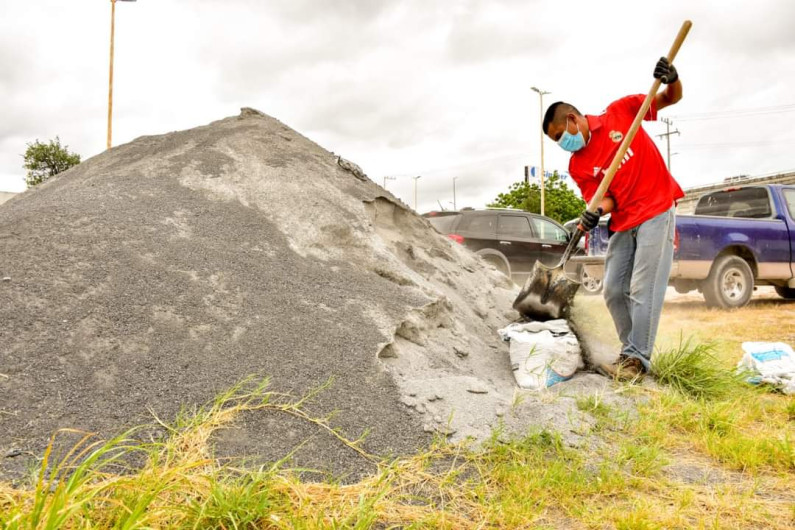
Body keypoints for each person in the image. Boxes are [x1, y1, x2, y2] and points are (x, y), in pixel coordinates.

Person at [542, 57, 684, 380]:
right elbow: (603, 199)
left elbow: (669, 97)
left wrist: (672, 79)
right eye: (556, 142)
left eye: (560, 135)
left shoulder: (620, 112)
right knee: (614, 289)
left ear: (573, 119)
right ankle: (632, 351)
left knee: (643, 286)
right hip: (624, 219)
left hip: (656, 207)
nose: (562, 144)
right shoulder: (577, 166)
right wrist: (595, 213)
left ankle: (636, 360)